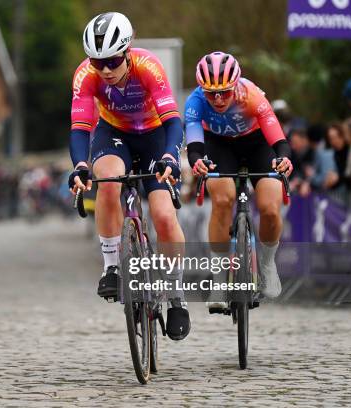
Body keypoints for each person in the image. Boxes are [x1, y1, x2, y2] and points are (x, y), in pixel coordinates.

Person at [68, 12, 189, 340]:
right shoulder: (86, 75)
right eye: (98, 62)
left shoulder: (148, 67)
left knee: (164, 214)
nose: (105, 70)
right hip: (114, 134)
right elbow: (80, 128)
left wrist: (169, 156)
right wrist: (80, 165)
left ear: (127, 52)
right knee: (106, 182)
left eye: (112, 61)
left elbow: (174, 121)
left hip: (153, 134)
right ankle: (111, 266)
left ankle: (176, 296)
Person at [184, 51, 293, 309]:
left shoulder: (251, 95)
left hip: (256, 143)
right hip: (219, 145)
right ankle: (220, 279)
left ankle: (266, 264)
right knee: (222, 200)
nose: (218, 99)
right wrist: (196, 161)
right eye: (211, 93)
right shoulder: (195, 101)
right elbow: (195, 144)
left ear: (235, 85)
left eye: (224, 91)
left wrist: (284, 158)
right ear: (202, 89)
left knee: (269, 208)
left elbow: (278, 139)